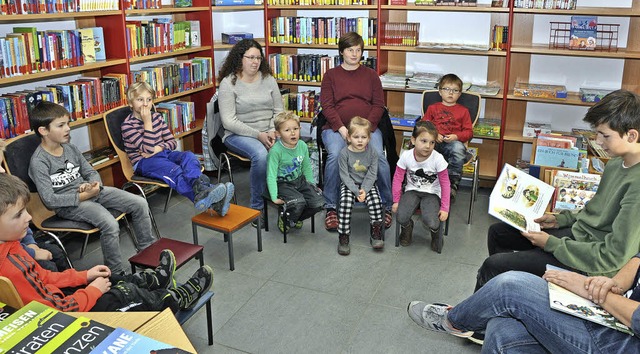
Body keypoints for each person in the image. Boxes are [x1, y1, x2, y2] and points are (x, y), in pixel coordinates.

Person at [476, 90, 640, 292]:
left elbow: (612, 256)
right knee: (498, 232)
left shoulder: (637, 185)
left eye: (605, 135)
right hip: (579, 237)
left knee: (493, 265)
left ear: (632, 135)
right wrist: (559, 220)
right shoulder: (616, 163)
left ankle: (467, 319)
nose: (597, 141)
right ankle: (505, 293)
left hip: (592, 264)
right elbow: (594, 211)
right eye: (597, 133)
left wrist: (551, 244)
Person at [0, 173, 213, 312]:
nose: (28, 219)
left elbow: (44, 277)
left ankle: (153, 282)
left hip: (60, 301)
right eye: (19, 215)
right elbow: (61, 311)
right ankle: (175, 299)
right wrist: (93, 291)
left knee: (104, 275)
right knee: (122, 294)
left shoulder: (11, 246)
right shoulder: (11, 266)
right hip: (66, 317)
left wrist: (85, 276)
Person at [407, 255, 640, 353]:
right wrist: (614, 284)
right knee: (500, 330)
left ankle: (453, 321)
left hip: (618, 343)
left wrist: (596, 293)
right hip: (611, 316)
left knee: (510, 287)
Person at [28, 101, 156, 275]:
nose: (67, 129)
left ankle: (146, 254)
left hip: (91, 193)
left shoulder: (70, 148)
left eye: (67, 124)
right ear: (43, 131)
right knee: (110, 224)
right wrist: (81, 196)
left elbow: (90, 171)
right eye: (61, 125)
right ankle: (116, 274)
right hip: (69, 205)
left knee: (139, 203)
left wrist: (94, 184)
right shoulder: (39, 162)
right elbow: (50, 199)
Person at [121, 81, 234, 215]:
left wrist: (159, 148)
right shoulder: (128, 126)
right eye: (140, 100)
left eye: (149, 99)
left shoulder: (157, 117)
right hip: (144, 162)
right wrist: (147, 123)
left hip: (163, 153)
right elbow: (148, 149)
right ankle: (209, 196)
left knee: (189, 156)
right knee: (176, 171)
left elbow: (172, 143)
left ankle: (204, 191)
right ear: (130, 103)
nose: (145, 104)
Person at [320, 32, 393, 232]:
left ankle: (386, 205)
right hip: (337, 128)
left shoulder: (371, 76)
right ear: (341, 51)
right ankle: (331, 207)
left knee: (378, 155)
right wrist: (343, 130)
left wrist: (364, 131)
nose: (354, 54)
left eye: (358, 50)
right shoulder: (331, 76)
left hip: (367, 129)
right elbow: (327, 106)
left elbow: (379, 105)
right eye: (350, 50)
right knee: (335, 155)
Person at [217, 39, 283, 228]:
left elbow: (278, 110)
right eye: (250, 58)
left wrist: (271, 130)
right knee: (261, 155)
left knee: (292, 148)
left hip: (269, 131)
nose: (255, 62)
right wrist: (258, 135)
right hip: (238, 134)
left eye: (258, 58)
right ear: (240, 58)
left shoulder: (268, 79)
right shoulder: (228, 83)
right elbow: (228, 121)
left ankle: (288, 200)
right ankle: (257, 208)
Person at [1, 139, 68, 272]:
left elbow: (21, 223)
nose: (3, 170)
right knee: (47, 267)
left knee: (56, 253)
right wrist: (33, 253)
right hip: (9, 257)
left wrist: (32, 244)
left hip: (20, 244)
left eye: (1, 163)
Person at [392, 121, 450, 254]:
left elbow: (445, 184)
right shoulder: (406, 155)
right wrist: (396, 200)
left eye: (432, 142)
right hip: (412, 190)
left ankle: (436, 233)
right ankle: (407, 228)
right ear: (413, 140)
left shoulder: (438, 159)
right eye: (423, 141)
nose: (428, 146)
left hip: (432, 193)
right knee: (401, 216)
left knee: (431, 221)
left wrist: (445, 208)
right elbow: (397, 178)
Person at [266, 111, 324, 233]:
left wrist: (311, 185)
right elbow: (270, 175)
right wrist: (274, 196)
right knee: (299, 202)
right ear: (278, 134)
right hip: (282, 183)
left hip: (299, 180)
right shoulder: (275, 151)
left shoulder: (302, 145)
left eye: (295, 129)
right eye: (287, 130)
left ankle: (295, 218)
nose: (293, 133)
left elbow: (306, 167)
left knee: (318, 203)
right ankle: (285, 218)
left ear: (300, 129)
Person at [421, 73, 473, 200]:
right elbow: (423, 126)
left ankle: (451, 183)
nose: (451, 93)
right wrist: (434, 134)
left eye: (455, 90)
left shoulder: (463, 111)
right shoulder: (433, 108)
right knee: (421, 146)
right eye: (447, 89)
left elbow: (469, 132)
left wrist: (456, 136)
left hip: (452, 144)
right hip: (434, 143)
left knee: (458, 148)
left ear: (460, 94)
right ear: (440, 92)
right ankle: (423, 181)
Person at [336, 117, 385, 255]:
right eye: (356, 137)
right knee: (345, 203)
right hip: (349, 184)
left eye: (363, 137)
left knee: (376, 201)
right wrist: (356, 191)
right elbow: (344, 175)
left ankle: (376, 232)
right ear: (349, 137)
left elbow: (372, 174)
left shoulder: (373, 153)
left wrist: (364, 189)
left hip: (367, 184)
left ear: (369, 138)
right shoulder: (344, 153)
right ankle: (343, 236)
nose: (360, 140)